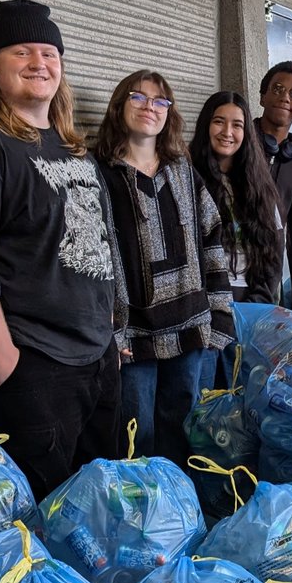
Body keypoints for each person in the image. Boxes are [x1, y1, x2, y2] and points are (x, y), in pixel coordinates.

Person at [0, 0, 122, 499]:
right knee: (36, 516)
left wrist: (111, 338)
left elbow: (105, 243)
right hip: (32, 362)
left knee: (90, 509)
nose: (40, 63)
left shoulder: (72, 147)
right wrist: (4, 360)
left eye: (49, 52)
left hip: (94, 357)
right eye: (22, 51)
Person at [96, 70, 234, 463]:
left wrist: (220, 315)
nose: (149, 108)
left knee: (181, 431)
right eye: (138, 98)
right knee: (137, 435)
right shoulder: (99, 174)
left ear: (169, 114)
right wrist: (111, 332)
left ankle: (177, 517)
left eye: (159, 101)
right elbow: (96, 260)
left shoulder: (183, 172)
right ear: (120, 106)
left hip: (190, 328)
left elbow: (212, 240)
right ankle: (143, 517)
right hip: (132, 336)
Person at [190, 90, 284, 391]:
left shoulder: (260, 183)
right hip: (204, 310)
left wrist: (258, 306)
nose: (227, 132)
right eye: (219, 122)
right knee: (204, 403)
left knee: (243, 400)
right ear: (206, 125)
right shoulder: (188, 176)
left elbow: (273, 251)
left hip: (250, 309)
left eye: (237, 124)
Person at [255, 61, 292, 314]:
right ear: (262, 97)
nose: (285, 98)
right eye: (277, 89)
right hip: (223, 284)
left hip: (269, 288)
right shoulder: (236, 145)